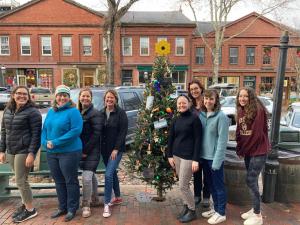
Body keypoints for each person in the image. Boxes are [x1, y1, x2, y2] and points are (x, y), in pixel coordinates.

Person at [0, 86, 42, 223]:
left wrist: (31, 154)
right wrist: (2, 150)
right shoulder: (7, 111)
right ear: (13, 95)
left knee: (20, 181)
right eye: (18, 93)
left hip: (24, 151)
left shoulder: (33, 112)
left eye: (25, 94)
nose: (22, 96)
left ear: (28, 97)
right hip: (11, 150)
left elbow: (36, 135)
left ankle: (30, 210)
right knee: (20, 180)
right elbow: (3, 132)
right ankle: (25, 204)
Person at [41, 85, 83, 222]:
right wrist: (44, 142)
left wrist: (56, 142)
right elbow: (45, 129)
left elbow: (75, 131)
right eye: (59, 95)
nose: (62, 98)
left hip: (69, 152)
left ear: (69, 97)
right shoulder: (51, 112)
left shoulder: (73, 112)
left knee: (70, 181)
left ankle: (72, 208)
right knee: (59, 181)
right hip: (52, 152)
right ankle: (62, 207)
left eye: (65, 95)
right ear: (56, 97)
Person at [236, 87, 269, 225]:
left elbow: (256, 135)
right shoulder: (241, 110)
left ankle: (257, 215)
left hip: (258, 151)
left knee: (251, 179)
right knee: (252, 181)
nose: (242, 99)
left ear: (251, 97)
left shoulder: (258, 110)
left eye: (245, 96)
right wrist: (239, 148)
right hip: (248, 151)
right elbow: (239, 130)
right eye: (240, 96)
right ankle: (255, 208)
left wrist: (244, 150)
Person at [167, 95, 202, 223]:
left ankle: (192, 211)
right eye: (179, 103)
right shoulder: (176, 120)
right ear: (177, 105)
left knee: (183, 185)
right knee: (182, 184)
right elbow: (171, 138)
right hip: (176, 156)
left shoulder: (194, 119)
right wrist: (169, 155)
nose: (181, 105)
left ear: (189, 104)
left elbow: (198, 140)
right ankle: (186, 207)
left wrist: (195, 159)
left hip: (188, 157)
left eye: (184, 103)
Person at [199, 89, 228, 225]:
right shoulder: (202, 115)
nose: (208, 101)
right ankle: (215, 209)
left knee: (218, 186)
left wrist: (217, 161)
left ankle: (221, 213)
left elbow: (222, 141)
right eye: (206, 98)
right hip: (204, 158)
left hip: (214, 159)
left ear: (216, 101)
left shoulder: (221, 117)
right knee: (209, 185)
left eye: (211, 99)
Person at [100, 89, 128, 218]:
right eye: (107, 98)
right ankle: (117, 196)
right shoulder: (101, 113)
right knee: (113, 173)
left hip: (116, 150)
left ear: (115, 99)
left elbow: (123, 133)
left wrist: (116, 149)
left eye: (111, 98)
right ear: (104, 100)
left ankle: (106, 203)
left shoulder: (121, 113)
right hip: (104, 150)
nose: (109, 100)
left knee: (108, 174)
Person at [78, 88, 103, 218]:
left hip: (91, 151)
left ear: (91, 98)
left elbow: (96, 134)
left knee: (86, 178)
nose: (85, 98)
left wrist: (85, 151)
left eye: (88, 96)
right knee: (91, 175)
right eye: (83, 96)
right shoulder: (80, 112)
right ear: (79, 97)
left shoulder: (95, 113)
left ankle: (86, 205)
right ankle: (95, 198)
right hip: (81, 151)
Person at [187, 79, 210, 207]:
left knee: (207, 171)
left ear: (201, 88)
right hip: (195, 143)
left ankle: (206, 196)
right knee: (196, 171)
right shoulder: (190, 107)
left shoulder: (208, 103)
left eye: (196, 88)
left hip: (207, 142)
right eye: (191, 90)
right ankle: (196, 195)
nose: (194, 91)